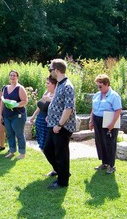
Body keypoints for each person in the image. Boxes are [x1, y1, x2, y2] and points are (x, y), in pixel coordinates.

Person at [44, 59, 76, 189]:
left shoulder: (68, 86)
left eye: (51, 69)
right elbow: (56, 102)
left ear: (56, 70)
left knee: (61, 154)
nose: (50, 72)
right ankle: (63, 172)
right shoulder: (59, 84)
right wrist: (50, 117)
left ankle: (62, 181)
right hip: (53, 124)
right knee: (48, 149)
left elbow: (68, 108)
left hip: (62, 127)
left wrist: (60, 125)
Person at [88, 74, 122, 174]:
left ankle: (111, 165)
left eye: (100, 86)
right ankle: (104, 163)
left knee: (109, 143)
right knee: (100, 142)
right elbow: (93, 109)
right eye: (98, 86)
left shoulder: (114, 96)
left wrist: (112, 123)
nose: (99, 88)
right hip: (98, 120)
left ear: (107, 84)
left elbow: (118, 110)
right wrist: (91, 121)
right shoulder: (97, 95)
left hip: (108, 121)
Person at [30, 75, 58, 176]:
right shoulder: (47, 93)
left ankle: (56, 168)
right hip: (40, 122)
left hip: (47, 123)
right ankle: (55, 168)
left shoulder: (56, 96)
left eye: (48, 83)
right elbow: (40, 106)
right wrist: (33, 116)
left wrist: (49, 100)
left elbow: (57, 108)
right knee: (42, 146)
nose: (46, 85)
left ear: (54, 84)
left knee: (48, 147)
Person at [0, 70, 28, 159]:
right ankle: (12, 151)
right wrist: (0, 114)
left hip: (18, 115)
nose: (12, 77)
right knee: (10, 134)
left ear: (17, 77)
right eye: (11, 75)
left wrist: (16, 104)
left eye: (14, 75)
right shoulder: (5, 88)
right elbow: (2, 102)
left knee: (19, 134)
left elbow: (25, 101)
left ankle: (22, 153)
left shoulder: (20, 88)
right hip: (7, 115)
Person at [0, 85, 7, 151]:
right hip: (2, 112)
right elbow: (0, 98)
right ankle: (2, 146)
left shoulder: (17, 88)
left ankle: (14, 148)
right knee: (0, 127)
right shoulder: (4, 88)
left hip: (12, 112)